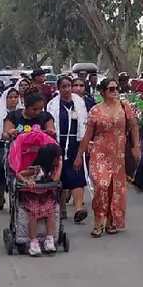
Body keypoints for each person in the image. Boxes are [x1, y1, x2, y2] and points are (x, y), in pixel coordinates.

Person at [75, 77, 141, 237]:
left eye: (116, 88)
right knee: (101, 186)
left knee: (115, 189)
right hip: (99, 153)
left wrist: (136, 146)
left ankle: (112, 221)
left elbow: (133, 126)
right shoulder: (96, 111)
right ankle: (99, 220)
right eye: (111, 89)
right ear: (102, 92)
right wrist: (79, 155)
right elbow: (87, 135)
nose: (115, 91)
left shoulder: (125, 107)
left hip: (118, 155)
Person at [8, 130, 62, 255]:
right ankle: (33, 241)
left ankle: (49, 238)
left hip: (44, 194)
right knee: (34, 212)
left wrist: (59, 166)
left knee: (50, 210)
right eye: (57, 159)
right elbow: (18, 175)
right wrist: (27, 181)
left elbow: (55, 180)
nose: (58, 160)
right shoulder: (36, 169)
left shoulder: (52, 170)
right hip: (30, 195)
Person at [47, 76, 90, 224]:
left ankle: (78, 209)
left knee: (77, 175)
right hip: (58, 143)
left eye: (69, 86)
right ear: (59, 88)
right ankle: (62, 207)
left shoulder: (79, 104)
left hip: (74, 144)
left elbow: (84, 128)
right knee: (59, 176)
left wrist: (81, 152)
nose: (67, 89)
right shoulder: (52, 105)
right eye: (63, 87)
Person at [0, 87, 22, 210]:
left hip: (18, 145)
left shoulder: (22, 112)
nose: (13, 100)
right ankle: (0, 198)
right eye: (10, 97)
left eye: (15, 97)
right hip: (1, 144)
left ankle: (16, 200)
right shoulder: (0, 112)